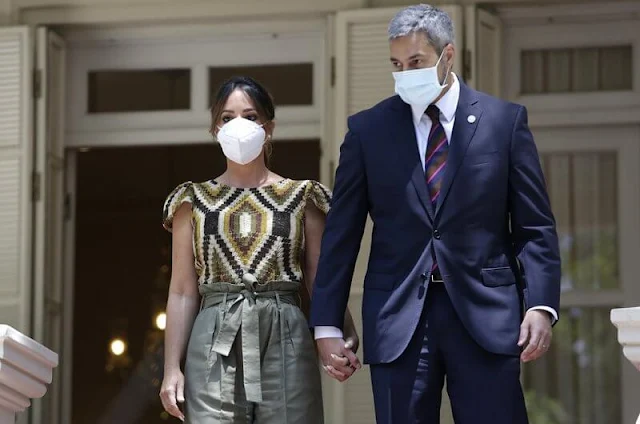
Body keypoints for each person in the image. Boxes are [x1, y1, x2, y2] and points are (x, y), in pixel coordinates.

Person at [310, 4, 561, 424]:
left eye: (416, 62)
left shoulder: (504, 122)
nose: (405, 74)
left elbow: (535, 227)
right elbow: (341, 235)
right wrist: (326, 326)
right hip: (399, 318)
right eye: (396, 64)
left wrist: (540, 304)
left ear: (448, 56)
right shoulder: (367, 132)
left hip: (487, 315)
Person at [158, 76, 360, 423]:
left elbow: (320, 275)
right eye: (226, 117)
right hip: (213, 337)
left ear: (269, 128)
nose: (238, 125)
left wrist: (342, 331)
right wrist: (171, 369)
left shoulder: (302, 196)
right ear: (214, 129)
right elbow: (181, 291)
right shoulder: (191, 200)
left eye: (250, 116)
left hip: (287, 335)